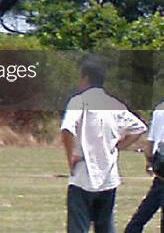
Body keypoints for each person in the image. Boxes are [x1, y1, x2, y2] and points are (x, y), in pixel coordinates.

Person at [61, 55, 147, 233]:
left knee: (78, 226)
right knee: (105, 227)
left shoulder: (79, 101)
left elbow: (67, 130)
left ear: (85, 78)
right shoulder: (114, 104)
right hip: (108, 176)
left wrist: (70, 158)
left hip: (83, 174)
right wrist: (119, 146)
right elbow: (139, 128)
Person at [125, 100, 164, 233]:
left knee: (147, 208)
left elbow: (151, 141)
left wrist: (149, 162)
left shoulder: (159, 109)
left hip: (161, 166)